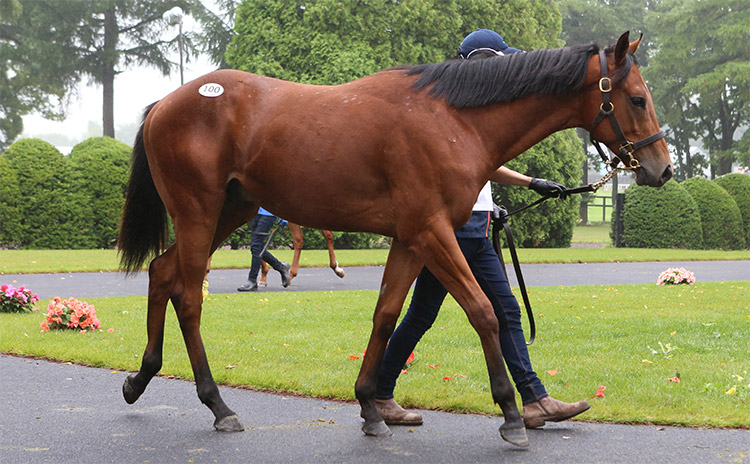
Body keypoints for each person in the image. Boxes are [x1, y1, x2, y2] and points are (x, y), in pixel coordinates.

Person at [373, 29, 590, 429]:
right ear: (480, 61)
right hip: (450, 231)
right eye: (501, 59)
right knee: (438, 314)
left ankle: (534, 399)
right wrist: (526, 183)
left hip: (477, 228)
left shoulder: (477, 115)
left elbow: (480, 170)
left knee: (493, 311)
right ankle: (381, 392)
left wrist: (528, 185)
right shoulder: (449, 114)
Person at [237, 207, 291, 292]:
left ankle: (252, 280)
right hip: (256, 212)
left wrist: (283, 216)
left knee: (256, 247)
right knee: (256, 248)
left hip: (268, 214)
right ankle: (281, 267)